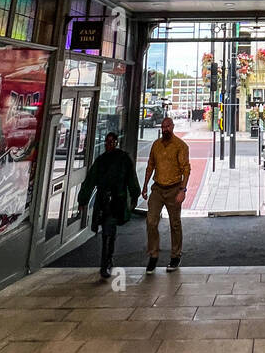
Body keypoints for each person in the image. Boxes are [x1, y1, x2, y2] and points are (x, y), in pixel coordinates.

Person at [79, 132, 139, 279]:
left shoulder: (122, 159)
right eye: (107, 142)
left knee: (109, 231)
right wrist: (83, 200)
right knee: (108, 231)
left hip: (116, 200)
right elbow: (90, 180)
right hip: (105, 201)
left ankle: (106, 262)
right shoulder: (102, 160)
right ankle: (106, 262)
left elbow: (131, 177)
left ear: (116, 142)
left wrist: (134, 194)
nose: (109, 144)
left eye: (111, 142)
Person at [140, 116, 190, 273]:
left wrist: (183, 190)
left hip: (174, 188)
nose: (165, 129)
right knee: (151, 221)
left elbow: (186, 169)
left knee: (175, 224)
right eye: (163, 127)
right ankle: (153, 255)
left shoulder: (180, 146)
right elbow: (150, 165)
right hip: (158, 188)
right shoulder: (156, 145)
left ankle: (175, 255)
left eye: (168, 126)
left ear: (173, 127)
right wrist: (145, 186)